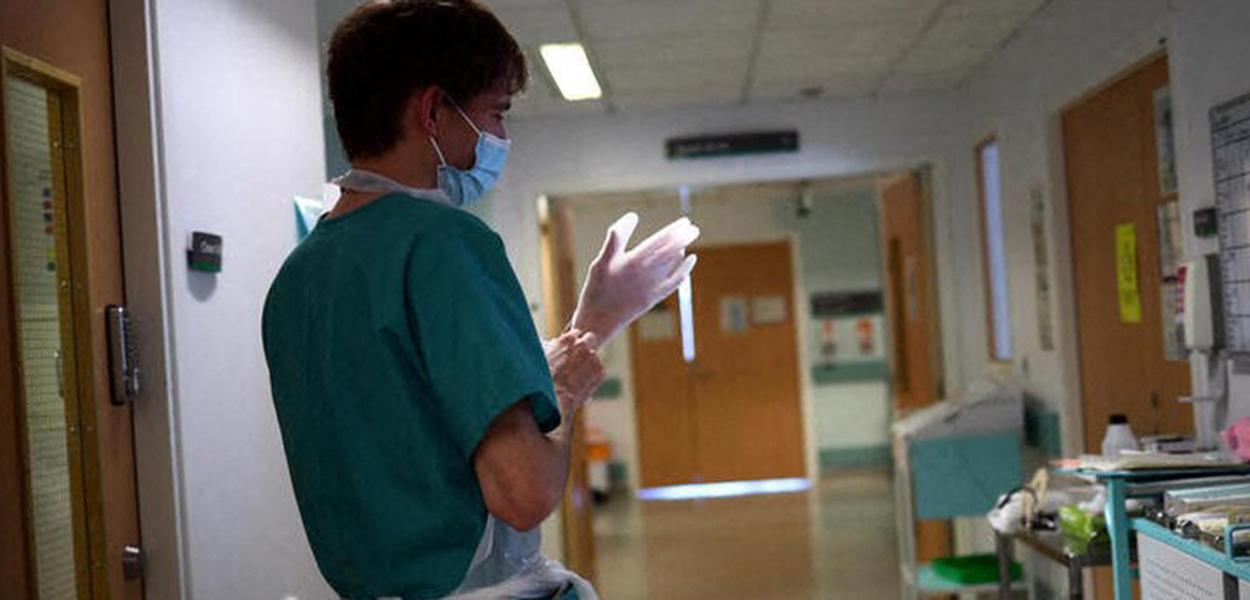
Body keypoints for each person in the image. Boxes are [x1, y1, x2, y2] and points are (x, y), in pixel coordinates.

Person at [261, 2, 698, 599]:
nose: (502, 137)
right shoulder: (446, 246)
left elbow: (419, 422)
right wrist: (566, 393)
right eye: (496, 112)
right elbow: (524, 492)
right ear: (434, 111)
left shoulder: (299, 276)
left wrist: (593, 321)